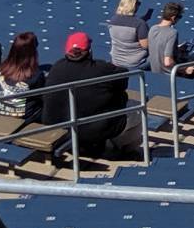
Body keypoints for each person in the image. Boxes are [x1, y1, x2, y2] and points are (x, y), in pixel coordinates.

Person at [37, 30, 145, 166]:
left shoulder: (57, 66)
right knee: (138, 109)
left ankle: (105, 144)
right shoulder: (101, 69)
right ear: (89, 51)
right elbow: (123, 78)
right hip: (90, 129)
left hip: (57, 124)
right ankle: (123, 150)